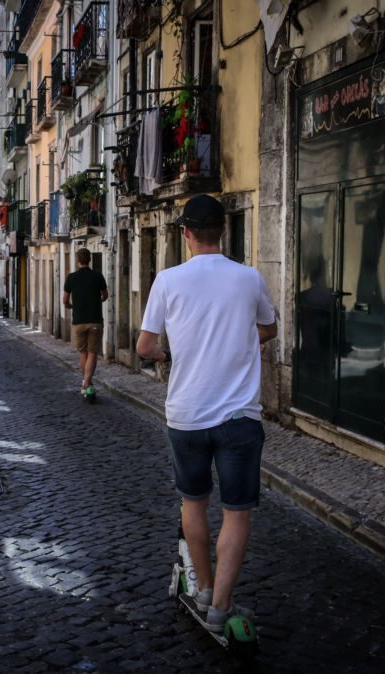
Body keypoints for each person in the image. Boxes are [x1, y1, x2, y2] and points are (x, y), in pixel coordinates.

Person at [136, 195, 277, 633]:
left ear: (186, 234)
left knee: (192, 503)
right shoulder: (249, 278)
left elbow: (144, 347)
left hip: (187, 415)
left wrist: (167, 355)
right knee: (236, 511)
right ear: (224, 231)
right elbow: (269, 327)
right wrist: (240, 344)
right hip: (239, 418)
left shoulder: (167, 280)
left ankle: (202, 588)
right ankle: (220, 606)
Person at [62, 248, 108, 398]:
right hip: (95, 320)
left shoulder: (71, 278)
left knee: (83, 353)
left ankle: (86, 383)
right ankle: (87, 383)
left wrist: (69, 306)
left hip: (79, 321)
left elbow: (65, 300)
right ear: (90, 260)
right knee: (93, 353)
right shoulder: (97, 276)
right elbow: (105, 295)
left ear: (78, 260)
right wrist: (98, 301)